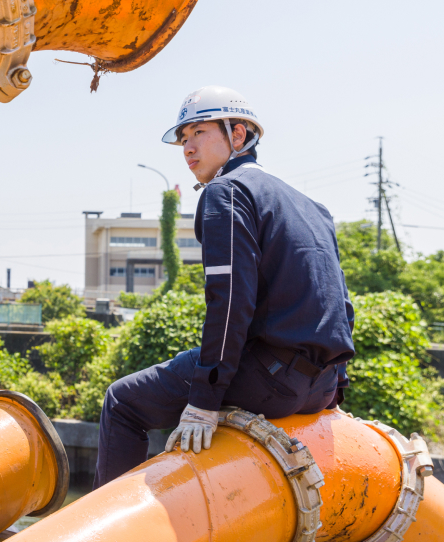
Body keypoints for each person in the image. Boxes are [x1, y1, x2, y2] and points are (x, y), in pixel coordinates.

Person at [95, 86, 355, 487]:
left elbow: (230, 302)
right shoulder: (312, 205)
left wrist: (203, 399)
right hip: (320, 386)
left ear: (238, 135)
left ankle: (102, 531)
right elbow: (339, 300)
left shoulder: (225, 192)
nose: (187, 148)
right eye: (184, 139)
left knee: (123, 401)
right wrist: (335, 386)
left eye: (199, 132)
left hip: (268, 380)